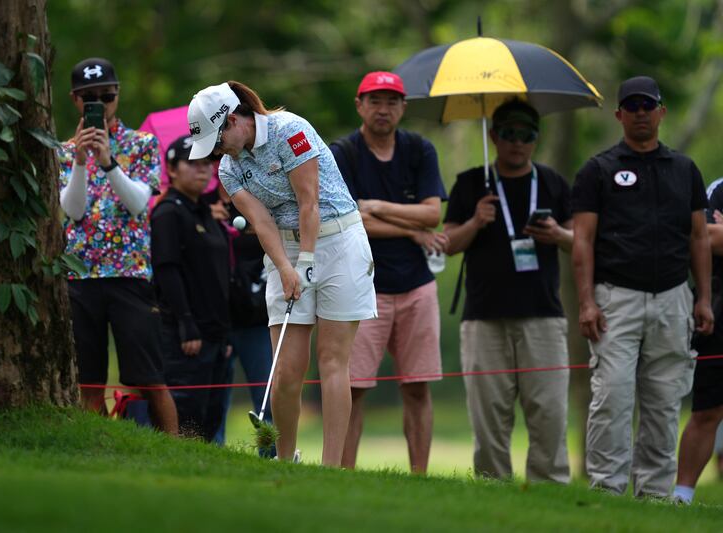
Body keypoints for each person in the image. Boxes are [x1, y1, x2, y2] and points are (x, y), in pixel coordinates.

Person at [186, 81, 377, 465]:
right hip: (284, 248)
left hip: (339, 239)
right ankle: (285, 460)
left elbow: (309, 202)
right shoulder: (229, 168)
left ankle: (331, 466)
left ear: (234, 120)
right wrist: (288, 267)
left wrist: (306, 261)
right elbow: (260, 222)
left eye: (217, 140)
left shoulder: (291, 130)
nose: (217, 151)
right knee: (287, 369)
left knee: (332, 360)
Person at [572, 76, 713, 498]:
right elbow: (582, 241)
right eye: (631, 106)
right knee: (612, 399)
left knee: (664, 403)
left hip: (673, 298)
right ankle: (607, 491)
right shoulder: (598, 170)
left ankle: (653, 494)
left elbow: (698, 237)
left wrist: (703, 298)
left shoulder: (685, 170)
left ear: (661, 112)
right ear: (618, 114)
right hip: (616, 299)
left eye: (647, 105)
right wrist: (585, 303)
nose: (639, 113)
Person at [442, 100, 573, 482]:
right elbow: (447, 243)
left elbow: (580, 240)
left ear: (537, 138)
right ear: (493, 136)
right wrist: (475, 222)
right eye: (510, 134)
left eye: (527, 135)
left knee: (549, 413)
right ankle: (491, 488)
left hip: (543, 316)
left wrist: (558, 235)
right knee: (488, 419)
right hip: (484, 317)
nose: (518, 142)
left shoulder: (552, 182)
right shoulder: (471, 183)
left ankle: (550, 490)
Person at [329, 71, 447, 474]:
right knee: (354, 388)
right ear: (359, 105)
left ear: (403, 108)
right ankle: (345, 476)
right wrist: (414, 231)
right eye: (375, 101)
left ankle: (420, 478)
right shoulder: (343, 152)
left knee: (417, 387)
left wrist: (376, 206)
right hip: (361, 286)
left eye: (392, 101)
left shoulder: (419, 149)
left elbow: (434, 212)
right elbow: (347, 220)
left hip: (417, 286)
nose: (384, 109)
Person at [57, 57, 178, 435]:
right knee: (88, 379)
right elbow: (71, 211)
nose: (100, 104)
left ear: (117, 95)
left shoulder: (142, 144)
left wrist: (108, 162)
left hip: (129, 274)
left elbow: (140, 203)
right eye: (89, 97)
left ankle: (175, 448)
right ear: (76, 101)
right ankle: (93, 448)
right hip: (81, 275)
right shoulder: (63, 151)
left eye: (106, 96)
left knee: (149, 377)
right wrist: (80, 161)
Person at [150, 135, 230, 440]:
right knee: (188, 416)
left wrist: (223, 332)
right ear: (172, 169)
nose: (203, 169)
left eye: (207, 163)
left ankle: (205, 476)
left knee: (211, 415)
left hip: (214, 333)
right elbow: (167, 271)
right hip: (186, 335)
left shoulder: (204, 212)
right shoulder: (168, 211)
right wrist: (187, 325)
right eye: (192, 163)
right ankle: (181, 474)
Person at [207, 180, 275, 453]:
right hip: (216, 319)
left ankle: (271, 454)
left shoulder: (260, 196)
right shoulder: (202, 202)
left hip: (256, 317)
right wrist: (205, 218)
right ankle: (212, 454)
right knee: (214, 396)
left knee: (267, 398)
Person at [673, 179, 723, 503]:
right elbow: (705, 238)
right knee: (707, 410)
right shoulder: (718, 189)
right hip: (720, 309)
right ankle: (682, 495)